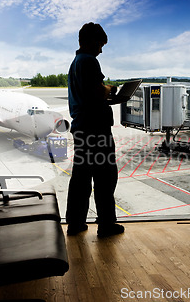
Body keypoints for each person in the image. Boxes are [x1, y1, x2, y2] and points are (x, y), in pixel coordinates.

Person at [66, 22, 124, 238]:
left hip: (82, 129)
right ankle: (107, 224)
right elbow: (99, 92)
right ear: (89, 41)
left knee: (81, 178)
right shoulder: (89, 61)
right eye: (100, 44)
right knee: (106, 177)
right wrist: (111, 89)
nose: (101, 49)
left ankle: (75, 222)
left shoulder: (76, 63)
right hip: (95, 131)